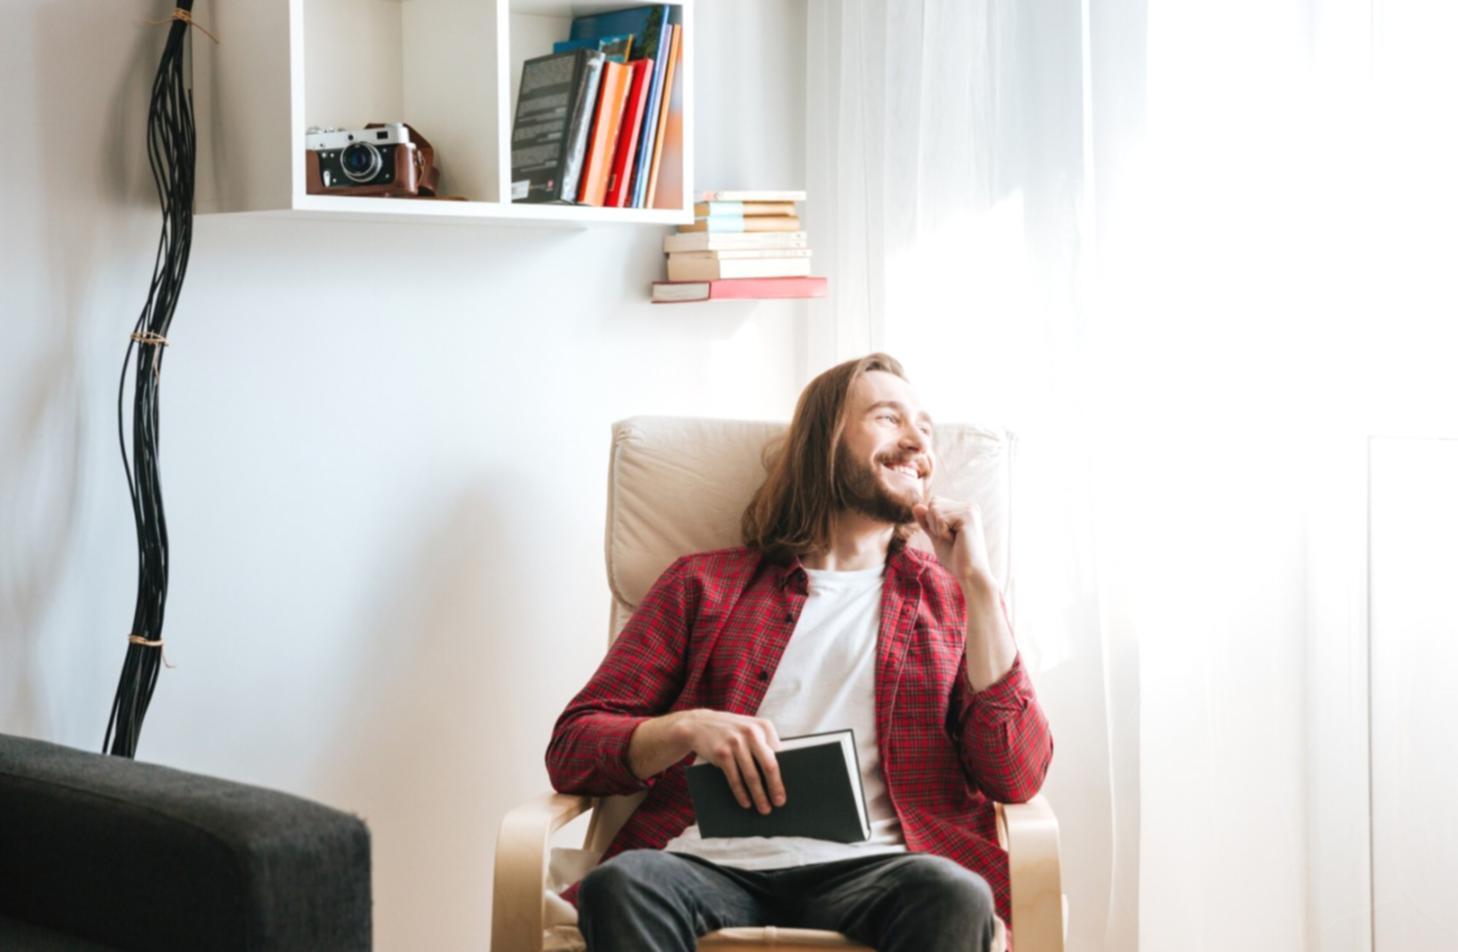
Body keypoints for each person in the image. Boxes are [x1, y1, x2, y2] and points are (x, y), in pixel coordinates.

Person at [547, 354, 1053, 952]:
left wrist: (980, 587)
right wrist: (685, 727)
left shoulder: (952, 601)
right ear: (825, 441)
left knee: (955, 894)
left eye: (925, 428)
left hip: (883, 869)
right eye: (888, 418)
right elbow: (573, 748)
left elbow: (1015, 775)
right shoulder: (702, 585)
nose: (918, 441)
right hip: (707, 865)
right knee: (621, 885)